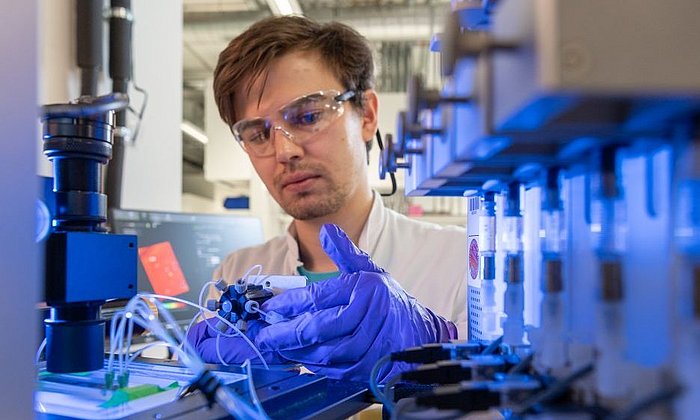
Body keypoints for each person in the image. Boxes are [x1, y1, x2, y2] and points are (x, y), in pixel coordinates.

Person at [188, 15, 467, 383]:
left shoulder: (459, 262)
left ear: (366, 115)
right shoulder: (238, 270)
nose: (284, 150)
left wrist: (435, 353)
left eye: (307, 116)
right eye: (258, 133)